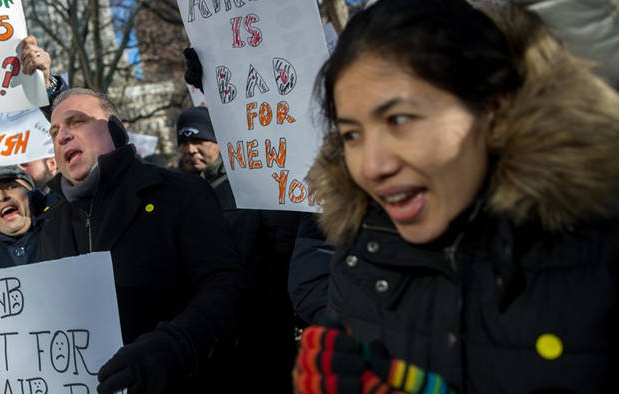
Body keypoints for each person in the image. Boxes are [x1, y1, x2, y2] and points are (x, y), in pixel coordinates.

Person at [292, 0, 619, 393]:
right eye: (352, 135)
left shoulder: (597, 246)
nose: (373, 165)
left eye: (399, 120)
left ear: (491, 107)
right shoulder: (360, 256)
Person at [33, 86, 250, 393]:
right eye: (54, 130)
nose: (62, 135)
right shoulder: (53, 226)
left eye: (77, 121)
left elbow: (227, 285)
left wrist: (177, 346)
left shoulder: (181, 193)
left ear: (116, 130)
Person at [175, 106, 301, 392]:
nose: (191, 149)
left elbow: (279, 254)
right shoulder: (177, 194)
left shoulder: (251, 187)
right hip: (208, 335)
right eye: (184, 142)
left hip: (261, 331)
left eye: (199, 140)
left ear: (219, 140)